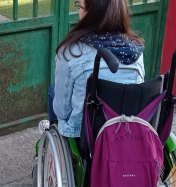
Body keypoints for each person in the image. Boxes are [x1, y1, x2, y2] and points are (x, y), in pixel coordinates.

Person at [39, 0, 146, 138]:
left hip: (83, 134)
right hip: (127, 132)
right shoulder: (135, 48)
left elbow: (62, 112)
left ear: (90, 14)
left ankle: (54, 134)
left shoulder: (70, 51)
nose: (79, 10)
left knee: (53, 91)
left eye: (80, 6)